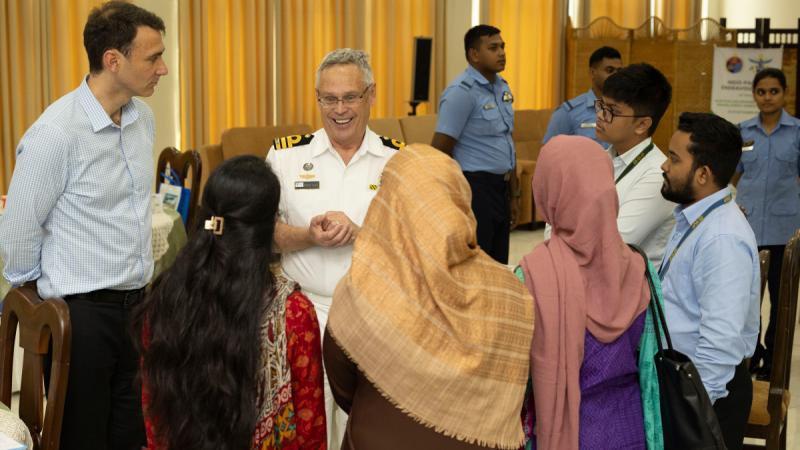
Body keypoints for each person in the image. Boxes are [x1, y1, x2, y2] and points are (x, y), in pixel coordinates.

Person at [0, 2, 167, 448]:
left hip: (137, 308)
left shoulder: (143, 120)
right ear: (113, 60)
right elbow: (18, 228)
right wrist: (36, 299)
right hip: (81, 316)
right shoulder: (56, 133)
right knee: (82, 439)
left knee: (132, 436)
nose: (163, 69)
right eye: (153, 57)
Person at [323, 144, 534, 450]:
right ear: (458, 200)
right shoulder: (510, 292)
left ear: (389, 205)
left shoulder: (364, 287)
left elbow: (343, 386)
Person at [133, 156, 326, 450]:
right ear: (269, 228)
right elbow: (310, 432)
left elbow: (155, 419)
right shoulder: (293, 314)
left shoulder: (165, 302)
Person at [267, 48, 401, 449]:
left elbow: (413, 242)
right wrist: (307, 236)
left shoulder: (398, 158)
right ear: (317, 98)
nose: (339, 110)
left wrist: (362, 233)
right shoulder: (286, 156)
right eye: (329, 99)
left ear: (371, 94)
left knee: (368, 425)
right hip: (306, 313)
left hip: (375, 313)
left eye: (350, 97)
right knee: (311, 423)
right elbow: (263, 233)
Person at [519, 135, 650, 450]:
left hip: (565, 433)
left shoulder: (532, 276)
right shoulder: (640, 270)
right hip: (630, 429)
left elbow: (515, 379)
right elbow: (650, 372)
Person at [660, 112, 760, 450]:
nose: (664, 166)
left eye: (674, 159)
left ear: (703, 174)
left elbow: (720, 343)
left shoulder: (721, 237)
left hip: (706, 394)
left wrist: (693, 411)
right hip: (684, 381)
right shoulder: (698, 217)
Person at [732, 68, 800, 380]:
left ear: (784, 93)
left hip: (785, 231)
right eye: (761, 92)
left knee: (781, 299)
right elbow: (733, 174)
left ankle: (774, 358)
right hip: (747, 229)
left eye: (774, 91)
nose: (767, 97)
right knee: (747, 297)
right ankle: (751, 354)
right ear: (754, 95)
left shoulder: (797, 132)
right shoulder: (743, 132)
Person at [431, 24, 517, 264]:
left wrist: (514, 195)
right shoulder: (461, 93)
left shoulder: (502, 87)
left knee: (499, 263)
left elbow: (507, 141)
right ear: (474, 54)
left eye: (502, 47)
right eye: (493, 48)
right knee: (477, 263)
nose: (501, 53)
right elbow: (439, 150)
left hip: (501, 187)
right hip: (475, 189)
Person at [593, 63, 675, 268]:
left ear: (642, 125)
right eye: (601, 105)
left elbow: (609, 247)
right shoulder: (599, 158)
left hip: (629, 284)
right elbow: (556, 220)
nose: (601, 115)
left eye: (612, 111)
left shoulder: (657, 176)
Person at [542, 46, 623, 146]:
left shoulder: (625, 110)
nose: (616, 76)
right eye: (609, 70)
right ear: (593, 73)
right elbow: (549, 150)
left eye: (619, 71)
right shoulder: (569, 112)